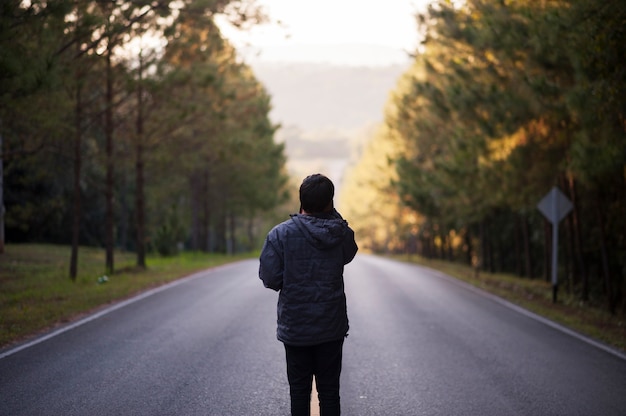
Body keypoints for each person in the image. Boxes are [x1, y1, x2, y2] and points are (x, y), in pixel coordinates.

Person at [259, 173, 358, 416]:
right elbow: (348, 254)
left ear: (301, 201)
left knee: (299, 392)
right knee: (329, 393)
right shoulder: (341, 233)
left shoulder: (280, 235)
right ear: (330, 203)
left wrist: (293, 280)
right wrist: (332, 216)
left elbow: (270, 278)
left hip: (296, 328)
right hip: (330, 327)